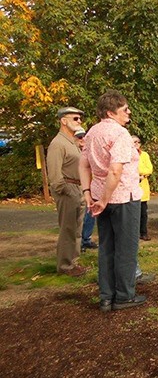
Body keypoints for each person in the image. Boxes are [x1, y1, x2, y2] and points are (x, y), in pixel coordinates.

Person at [79, 90, 146, 311]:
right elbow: (115, 171)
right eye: (124, 109)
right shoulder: (120, 134)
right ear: (110, 112)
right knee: (126, 248)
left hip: (99, 196)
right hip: (121, 198)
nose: (129, 112)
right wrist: (105, 199)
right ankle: (124, 296)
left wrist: (89, 194)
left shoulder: (91, 132)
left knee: (106, 247)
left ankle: (106, 296)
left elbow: (84, 165)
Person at [47, 106, 87, 277]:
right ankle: (64, 266)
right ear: (64, 121)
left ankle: (72, 262)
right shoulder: (58, 143)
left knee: (77, 229)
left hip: (77, 187)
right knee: (68, 229)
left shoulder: (72, 142)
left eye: (80, 119)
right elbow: (55, 174)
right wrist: (65, 190)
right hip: (68, 188)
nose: (79, 122)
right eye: (75, 119)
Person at [75, 127, 98, 252]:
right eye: (79, 137)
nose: (82, 139)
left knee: (90, 215)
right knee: (79, 217)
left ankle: (86, 239)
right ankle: (78, 243)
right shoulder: (72, 151)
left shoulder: (90, 151)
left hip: (91, 187)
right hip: (77, 187)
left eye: (84, 136)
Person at [132, 135, 153, 241]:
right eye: (134, 142)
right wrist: (138, 174)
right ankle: (133, 233)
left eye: (138, 142)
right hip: (131, 188)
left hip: (142, 187)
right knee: (132, 213)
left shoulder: (144, 155)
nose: (136, 144)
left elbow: (149, 169)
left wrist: (140, 173)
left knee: (143, 213)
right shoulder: (126, 154)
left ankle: (143, 232)